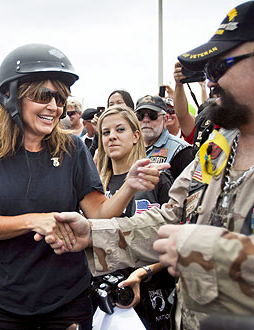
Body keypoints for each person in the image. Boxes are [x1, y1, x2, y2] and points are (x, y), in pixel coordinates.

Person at [40, 1, 254, 329]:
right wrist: (94, 234)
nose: (210, 83)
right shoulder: (218, 146)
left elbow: (193, 242)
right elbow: (171, 218)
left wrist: (216, 252)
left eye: (219, 68)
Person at [0, 43, 166, 330]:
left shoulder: (73, 148)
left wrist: (129, 187)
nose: (54, 106)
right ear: (12, 97)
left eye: (59, 98)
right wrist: (36, 221)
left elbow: (99, 213)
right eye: (42, 95)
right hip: (9, 302)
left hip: (67, 302)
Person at [97, 105, 174, 329]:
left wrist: (143, 273)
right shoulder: (95, 187)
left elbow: (175, 241)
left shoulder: (156, 178)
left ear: (135, 135)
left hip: (151, 294)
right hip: (107, 298)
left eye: (120, 130)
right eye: (105, 132)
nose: (112, 137)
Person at [135, 95, 192, 179]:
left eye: (152, 115)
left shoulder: (181, 150)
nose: (145, 120)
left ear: (165, 119)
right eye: (140, 116)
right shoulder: (129, 147)